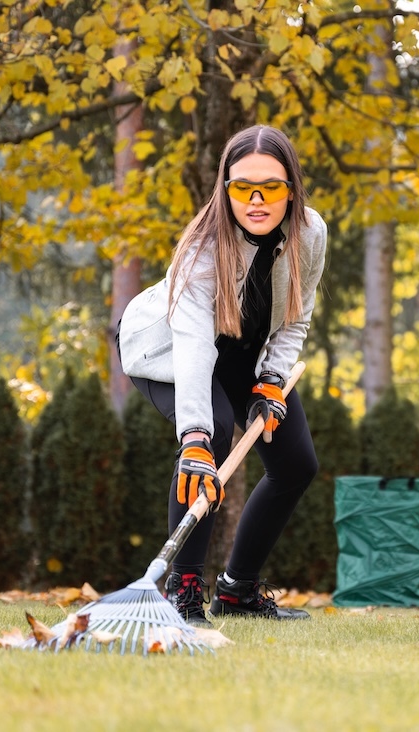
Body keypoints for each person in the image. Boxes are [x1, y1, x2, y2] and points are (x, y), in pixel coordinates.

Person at [116, 125, 327, 625]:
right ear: (224, 188)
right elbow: (192, 347)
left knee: (296, 463)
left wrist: (271, 379)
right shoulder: (201, 249)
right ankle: (182, 590)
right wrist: (193, 436)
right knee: (208, 434)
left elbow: (298, 309)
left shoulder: (310, 232)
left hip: (244, 351)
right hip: (165, 348)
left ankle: (237, 591)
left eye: (271, 186)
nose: (256, 200)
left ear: (292, 188)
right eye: (242, 187)